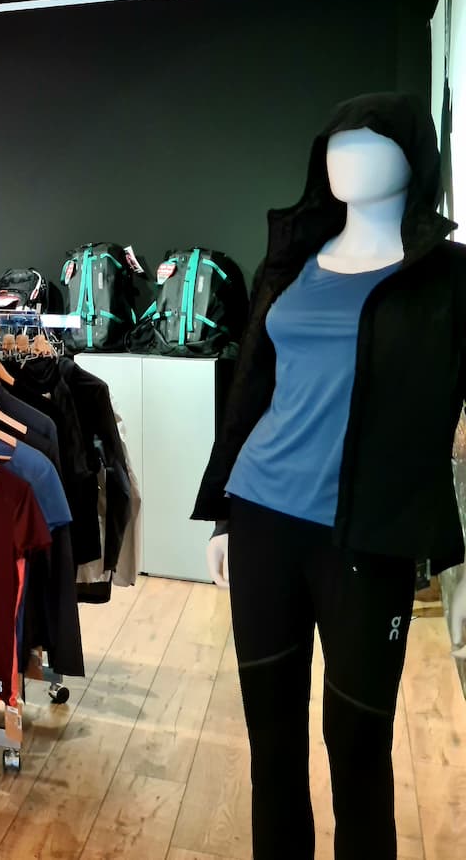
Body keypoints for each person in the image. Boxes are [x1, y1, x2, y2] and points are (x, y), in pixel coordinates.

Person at [193, 93, 466, 860]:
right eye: (337, 141)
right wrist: (225, 514)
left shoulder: (448, 278)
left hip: (367, 542)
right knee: (272, 746)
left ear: (415, 159)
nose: (348, 155)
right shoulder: (293, 263)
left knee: (359, 752)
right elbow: (253, 390)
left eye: (371, 140)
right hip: (262, 519)